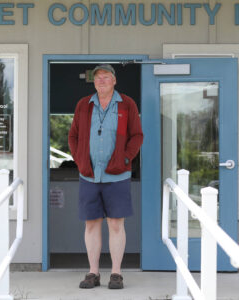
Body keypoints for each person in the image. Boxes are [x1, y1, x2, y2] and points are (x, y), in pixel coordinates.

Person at [68, 64, 143, 289]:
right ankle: (93, 273)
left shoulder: (127, 104)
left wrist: (126, 159)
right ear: (94, 82)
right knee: (91, 224)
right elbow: (73, 136)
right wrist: (80, 160)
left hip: (117, 176)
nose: (101, 81)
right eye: (98, 77)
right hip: (89, 175)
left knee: (116, 224)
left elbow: (137, 136)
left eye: (106, 77)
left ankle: (116, 274)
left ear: (114, 81)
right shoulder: (83, 105)